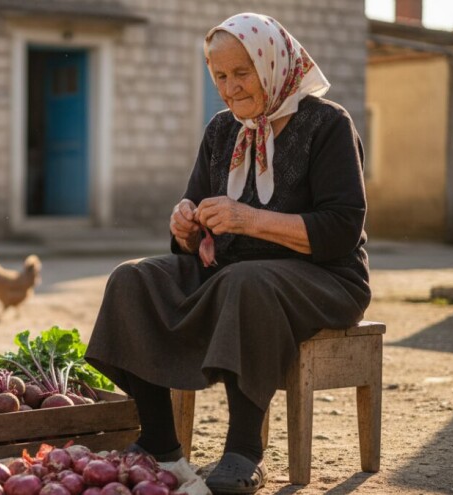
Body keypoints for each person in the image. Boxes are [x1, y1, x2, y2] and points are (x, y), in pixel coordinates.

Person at [84, 12, 371, 495]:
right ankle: (159, 442)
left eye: (242, 72)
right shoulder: (222, 130)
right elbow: (196, 217)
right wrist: (185, 228)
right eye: (219, 76)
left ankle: (243, 452)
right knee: (133, 278)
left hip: (325, 279)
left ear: (273, 64)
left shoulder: (328, 124)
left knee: (247, 281)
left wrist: (247, 219)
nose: (229, 88)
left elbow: (341, 229)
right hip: (233, 272)